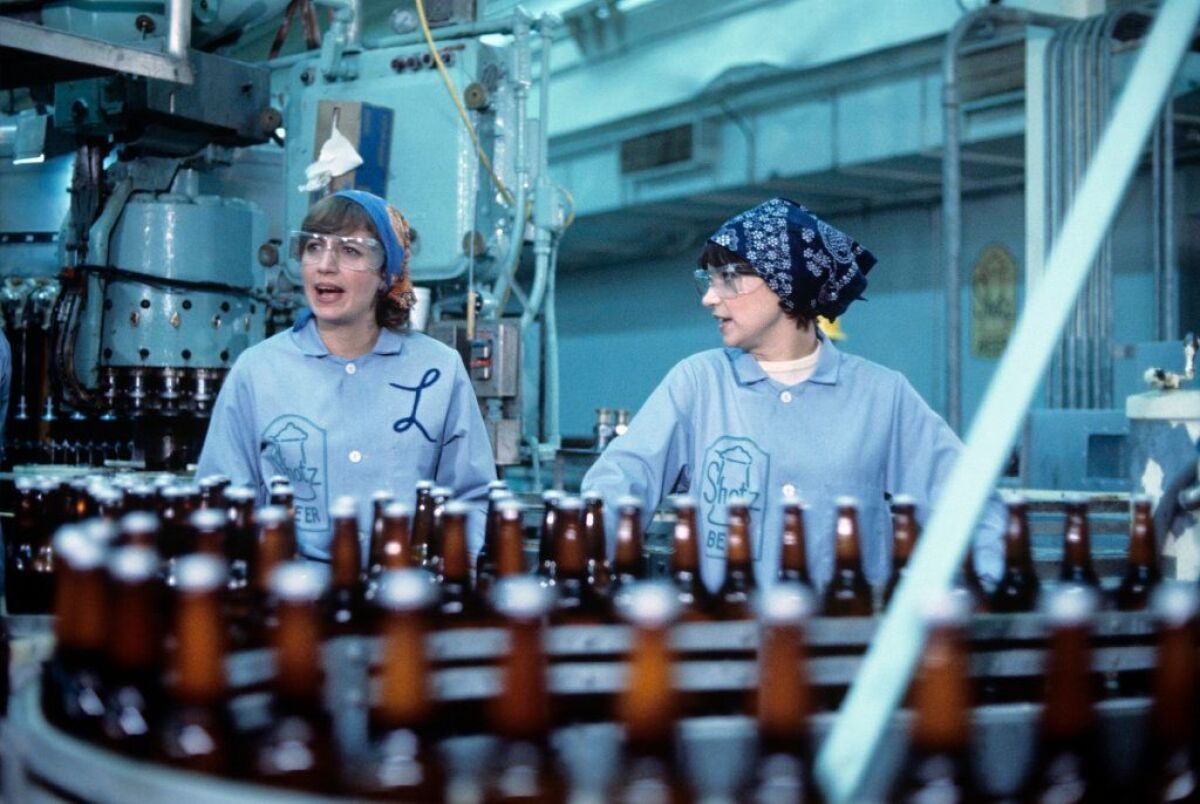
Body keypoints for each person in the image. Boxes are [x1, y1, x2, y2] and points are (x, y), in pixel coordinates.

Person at [582, 198, 1003, 592]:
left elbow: (968, 502)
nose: (710, 298)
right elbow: (621, 482)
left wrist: (993, 589)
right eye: (707, 282)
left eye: (728, 280)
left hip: (844, 644)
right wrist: (582, 556)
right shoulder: (699, 384)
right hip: (729, 642)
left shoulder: (881, 396)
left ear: (785, 284)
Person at [196, 190, 496, 560]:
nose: (325, 264)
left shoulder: (438, 370)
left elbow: (471, 498)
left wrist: (440, 577)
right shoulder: (257, 372)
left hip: (402, 596)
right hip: (290, 600)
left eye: (350, 250)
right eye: (313, 248)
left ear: (387, 275)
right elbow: (224, 503)